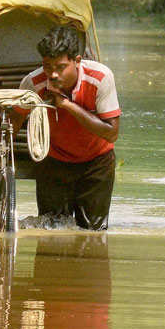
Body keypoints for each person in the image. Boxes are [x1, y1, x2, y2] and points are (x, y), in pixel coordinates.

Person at [15, 25, 121, 230]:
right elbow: (14, 121)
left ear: (77, 61)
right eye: (47, 66)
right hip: (54, 161)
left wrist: (66, 105)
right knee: (51, 230)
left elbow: (111, 132)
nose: (53, 74)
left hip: (96, 163)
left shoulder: (100, 78)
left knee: (93, 233)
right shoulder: (33, 83)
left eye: (61, 67)